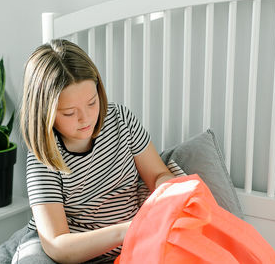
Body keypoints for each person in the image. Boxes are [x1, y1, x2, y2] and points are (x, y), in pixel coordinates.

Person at [15, 39, 175, 264]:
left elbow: (158, 175)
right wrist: (128, 230)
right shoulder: (44, 158)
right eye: (70, 113)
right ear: (45, 114)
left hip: (133, 243)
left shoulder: (120, 119)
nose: (86, 118)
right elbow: (58, 245)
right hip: (78, 251)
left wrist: (168, 193)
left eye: (92, 103)